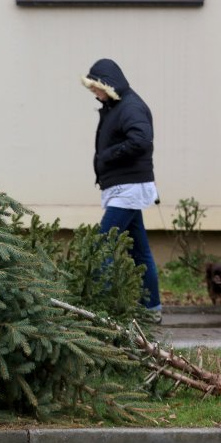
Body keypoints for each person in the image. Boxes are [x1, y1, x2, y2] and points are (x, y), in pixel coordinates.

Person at [81, 58, 162, 320]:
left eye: (96, 87)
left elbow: (141, 139)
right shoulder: (116, 105)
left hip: (129, 188)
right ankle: (151, 310)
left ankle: (102, 309)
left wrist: (108, 156)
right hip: (123, 187)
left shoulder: (130, 106)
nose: (94, 93)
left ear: (108, 84)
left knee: (102, 245)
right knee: (140, 250)